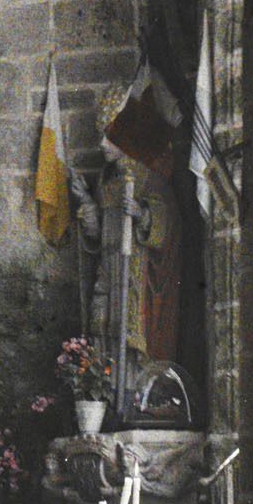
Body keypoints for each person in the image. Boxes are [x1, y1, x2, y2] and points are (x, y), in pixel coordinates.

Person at [73, 87, 183, 398]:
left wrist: (142, 213)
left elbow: (169, 222)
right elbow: (98, 237)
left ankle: (134, 396)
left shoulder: (148, 177)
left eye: (109, 137)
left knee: (130, 338)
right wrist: (88, 207)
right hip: (108, 274)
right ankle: (106, 396)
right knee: (102, 332)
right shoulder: (106, 181)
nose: (102, 145)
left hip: (135, 277)